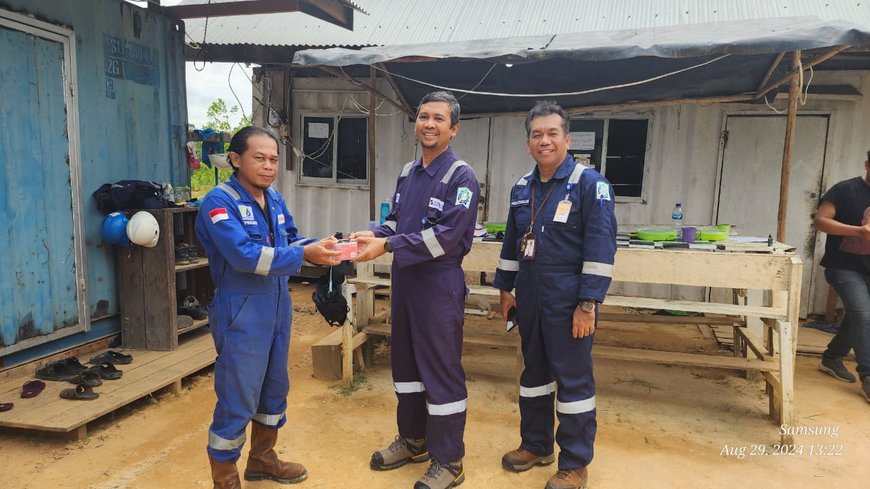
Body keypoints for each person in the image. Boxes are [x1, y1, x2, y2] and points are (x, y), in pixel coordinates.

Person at [195, 126, 342, 488]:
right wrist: (303, 253)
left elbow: (291, 240)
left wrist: (323, 246)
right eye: (259, 158)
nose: (268, 166)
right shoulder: (219, 202)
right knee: (238, 393)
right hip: (241, 309)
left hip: (277, 307)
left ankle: (262, 459)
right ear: (235, 159)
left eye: (274, 159)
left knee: (274, 389)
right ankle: (225, 477)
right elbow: (244, 257)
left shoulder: (273, 199)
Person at [350, 91, 480, 489]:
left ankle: (449, 461)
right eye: (424, 116)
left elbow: (448, 237)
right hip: (406, 283)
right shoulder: (408, 173)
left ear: (453, 128)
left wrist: (388, 246)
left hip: (438, 287)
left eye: (439, 119)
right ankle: (413, 439)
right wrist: (372, 234)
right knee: (406, 369)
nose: (429, 123)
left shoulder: (462, 177)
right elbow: (399, 223)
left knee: (440, 373)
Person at [492, 101, 617, 489]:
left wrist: (587, 304)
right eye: (536, 134)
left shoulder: (590, 184)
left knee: (573, 382)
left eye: (551, 133)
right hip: (529, 296)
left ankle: (576, 463)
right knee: (534, 375)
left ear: (566, 138)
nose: (544, 140)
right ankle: (536, 444)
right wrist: (505, 289)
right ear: (528, 143)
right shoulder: (521, 187)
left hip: (569, 300)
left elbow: (600, 249)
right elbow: (512, 244)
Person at [814, 151, 870, 402]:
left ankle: (832, 357)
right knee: (862, 313)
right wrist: (858, 231)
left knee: (859, 315)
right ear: (867, 164)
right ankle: (868, 375)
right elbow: (821, 221)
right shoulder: (845, 189)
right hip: (843, 266)